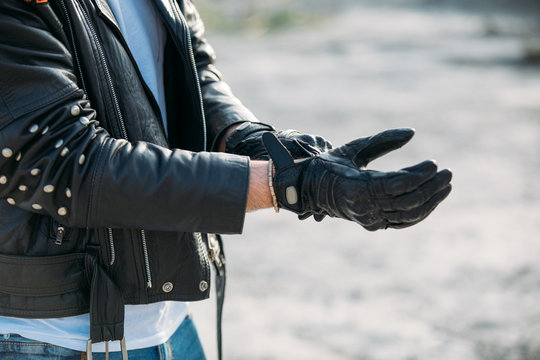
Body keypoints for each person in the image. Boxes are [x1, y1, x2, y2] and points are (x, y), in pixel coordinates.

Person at [0, 0, 452, 359]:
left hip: (167, 323)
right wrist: (285, 186)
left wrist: (259, 144)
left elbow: (191, 69)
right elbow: (64, 162)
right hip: (52, 335)